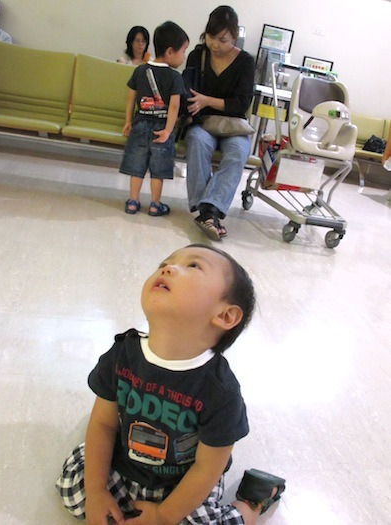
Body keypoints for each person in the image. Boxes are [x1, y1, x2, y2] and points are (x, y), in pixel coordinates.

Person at [56, 243, 286, 525]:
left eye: (193, 266)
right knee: (73, 491)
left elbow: (206, 468)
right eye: (165, 263)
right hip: (126, 462)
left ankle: (252, 501)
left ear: (225, 316)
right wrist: (96, 490)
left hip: (185, 482)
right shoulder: (122, 354)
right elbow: (103, 424)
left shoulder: (220, 391)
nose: (168, 268)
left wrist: (164, 517)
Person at [183, 6, 255, 241]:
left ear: (234, 36)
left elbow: (241, 104)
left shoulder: (245, 62)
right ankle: (208, 212)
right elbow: (188, 89)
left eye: (223, 40)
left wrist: (206, 100)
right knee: (196, 140)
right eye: (212, 37)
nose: (215, 44)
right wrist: (193, 102)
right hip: (204, 122)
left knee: (237, 151)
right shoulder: (198, 55)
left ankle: (208, 211)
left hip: (234, 125)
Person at [119, 21, 188, 217]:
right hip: (160, 130)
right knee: (158, 169)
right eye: (182, 51)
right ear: (169, 52)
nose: (183, 57)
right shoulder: (175, 77)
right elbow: (174, 106)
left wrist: (128, 121)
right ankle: (155, 204)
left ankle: (133, 202)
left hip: (139, 125)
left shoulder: (139, 70)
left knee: (137, 166)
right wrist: (168, 130)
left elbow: (130, 97)